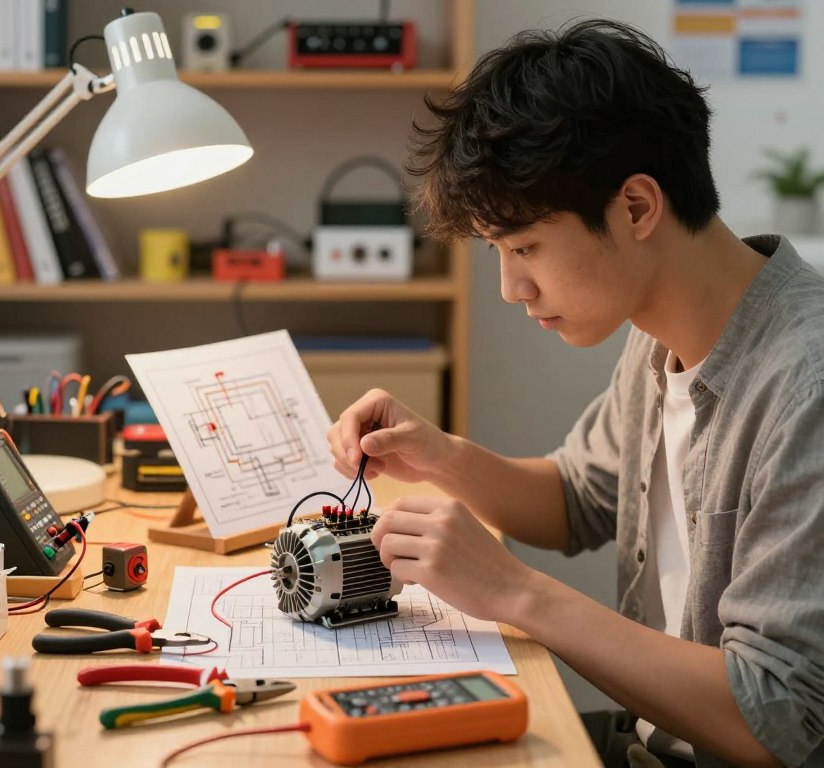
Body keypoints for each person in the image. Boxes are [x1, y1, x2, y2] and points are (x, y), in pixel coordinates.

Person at [326, 19, 824, 768]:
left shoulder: (806, 385)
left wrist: (516, 593)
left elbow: (775, 716)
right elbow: (577, 501)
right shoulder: (659, 332)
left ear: (635, 208)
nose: (510, 286)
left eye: (523, 246)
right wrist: (439, 455)